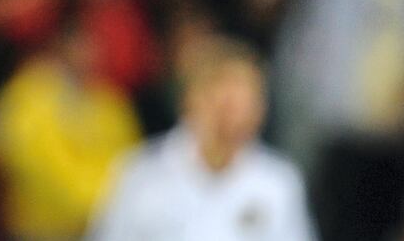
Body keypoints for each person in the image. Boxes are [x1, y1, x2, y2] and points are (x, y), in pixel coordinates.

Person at [85, 35, 316, 241]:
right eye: (224, 102)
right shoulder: (141, 174)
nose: (233, 117)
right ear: (190, 100)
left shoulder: (278, 182)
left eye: (245, 102)